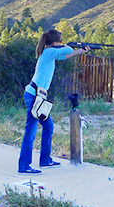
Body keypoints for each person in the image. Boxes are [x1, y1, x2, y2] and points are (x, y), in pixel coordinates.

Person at [18, 29, 88, 174]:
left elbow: (65, 55)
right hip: (34, 96)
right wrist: (70, 46)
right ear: (55, 43)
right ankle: (24, 166)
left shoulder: (49, 53)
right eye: (59, 42)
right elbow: (67, 49)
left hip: (38, 96)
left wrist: (80, 51)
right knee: (30, 131)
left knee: (48, 126)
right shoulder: (49, 52)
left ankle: (45, 160)